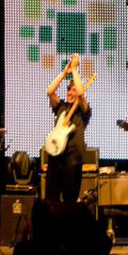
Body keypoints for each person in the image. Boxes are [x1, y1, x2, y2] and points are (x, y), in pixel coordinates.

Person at [45, 53, 92, 202]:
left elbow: (81, 93)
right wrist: (64, 73)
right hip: (55, 157)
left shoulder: (83, 112)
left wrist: (75, 70)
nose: (70, 92)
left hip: (73, 159)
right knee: (51, 199)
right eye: (68, 89)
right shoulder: (61, 107)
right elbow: (50, 91)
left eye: (73, 89)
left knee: (69, 201)